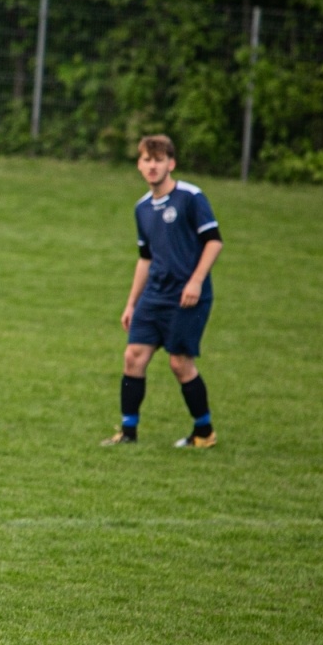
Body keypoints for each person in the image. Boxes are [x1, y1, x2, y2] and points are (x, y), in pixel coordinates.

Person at [101, 135, 224, 448]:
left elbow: (214, 241)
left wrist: (196, 281)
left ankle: (204, 433)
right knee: (133, 357)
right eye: (146, 160)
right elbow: (146, 259)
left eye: (158, 160)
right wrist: (131, 303)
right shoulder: (142, 208)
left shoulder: (190, 197)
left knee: (179, 364)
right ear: (140, 165)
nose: (152, 166)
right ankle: (128, 432)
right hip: (154, 294)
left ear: (171, 163)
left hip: (186, 295)